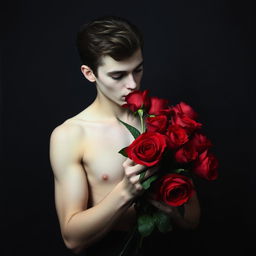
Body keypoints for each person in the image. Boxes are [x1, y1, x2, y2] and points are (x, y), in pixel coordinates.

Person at [49, 15, 201, 255]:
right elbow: (72, 239)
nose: (132, 84)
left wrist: (170, 207)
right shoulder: (71, 135)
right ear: (90, 74)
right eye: (118, 76)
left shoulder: (161, 121)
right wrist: (125, 192)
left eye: (138, 70)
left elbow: (192, 220)